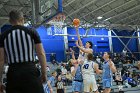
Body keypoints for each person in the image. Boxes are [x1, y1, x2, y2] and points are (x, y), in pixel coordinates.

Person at [0, 10, 47, 93]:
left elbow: (1, 60)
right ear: (22, 19)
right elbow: (41, 53)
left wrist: (0, 81)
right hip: (30, 72)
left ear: (10, 21)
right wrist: (44, 73)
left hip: (13, 74)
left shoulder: (3, 36)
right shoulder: (32, 32)